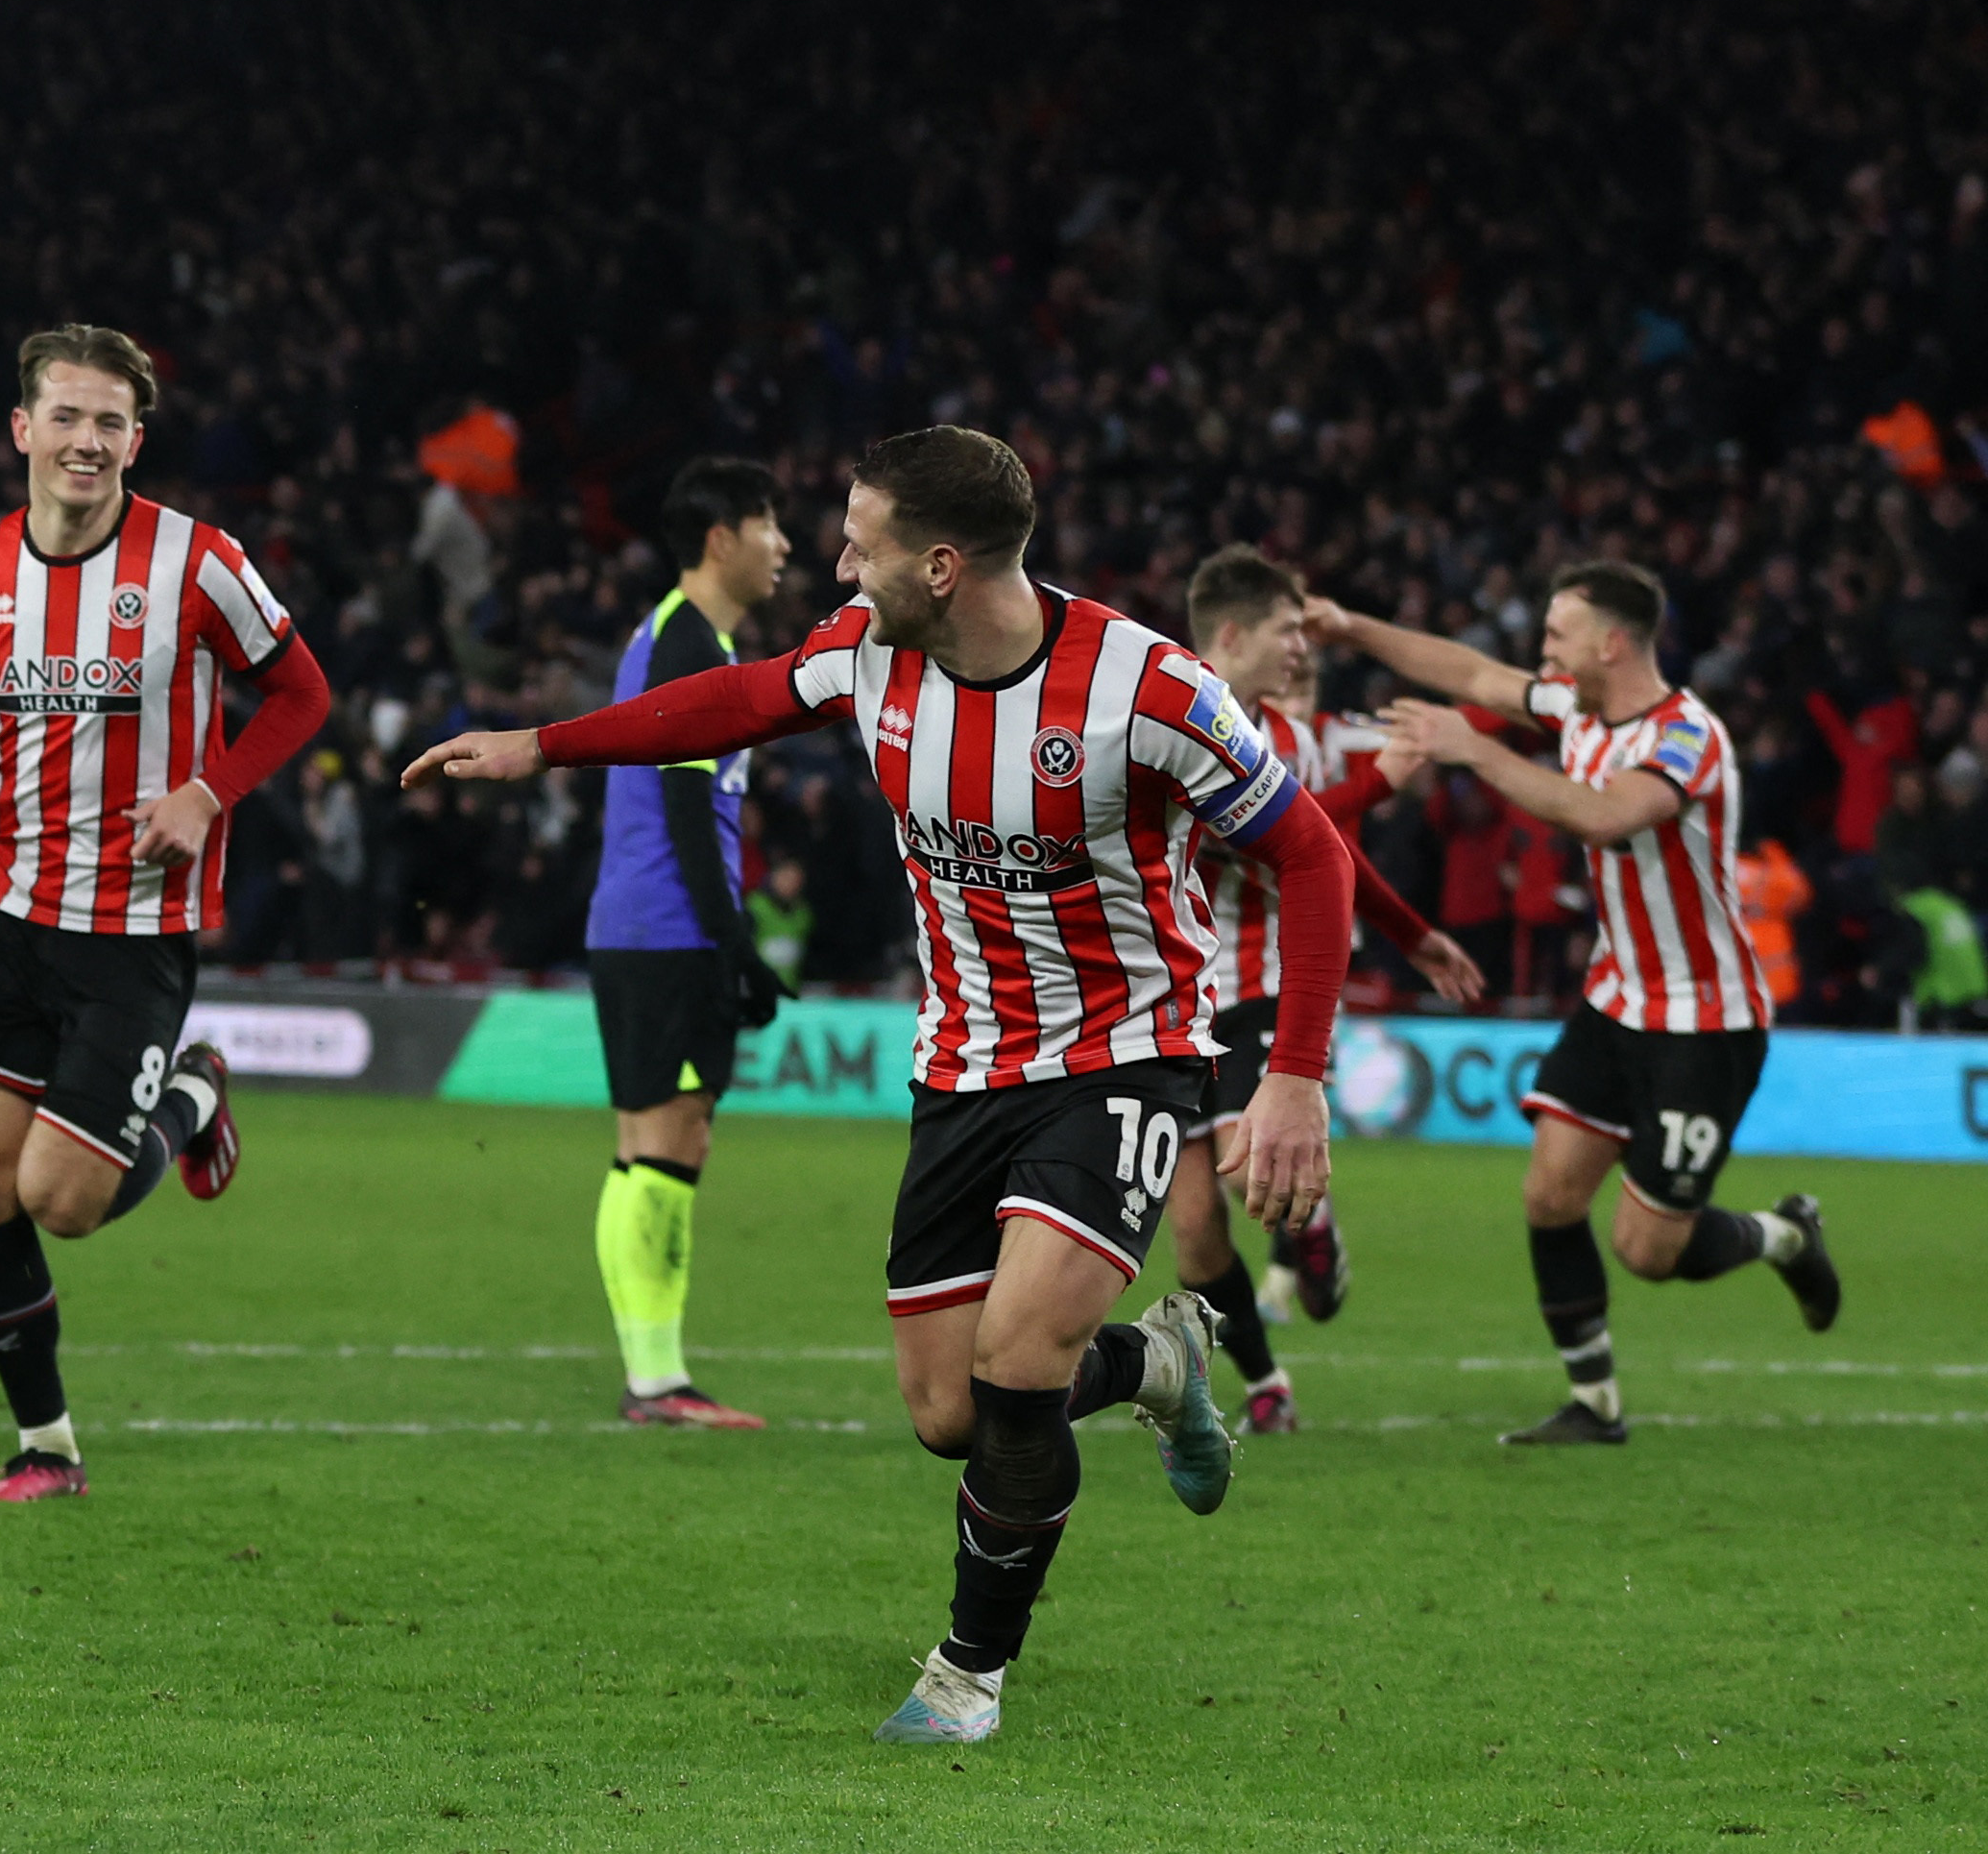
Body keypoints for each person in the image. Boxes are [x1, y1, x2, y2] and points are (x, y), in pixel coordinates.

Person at [409, 427, 1356, 1745]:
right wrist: (542, 745)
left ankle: (968, 1673)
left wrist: (1297, 1074)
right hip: (961, 1063)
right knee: (948, 1412)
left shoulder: (1149, 690)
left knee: (1021, 1362)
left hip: (1123, 1053)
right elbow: (732, 702)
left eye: (862, 543)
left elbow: (1313, 862)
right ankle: (1157, 1360)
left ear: (945, 563)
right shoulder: (866, 649)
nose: (840, 563)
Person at [0, 325, 330, 1503]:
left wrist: (209, 792)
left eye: (109, 421)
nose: (86, 439)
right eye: (65, 415)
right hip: (2, 910)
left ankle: (191, 1093)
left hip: (131, 929)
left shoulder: (198, 564)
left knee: (62, 1202)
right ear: (23, 428)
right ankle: (44, 1446)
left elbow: (302, 692)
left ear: (134, 440)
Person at [1314, 561, 1841, 1446]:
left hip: (1704, 1022)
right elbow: (1473, 675)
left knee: (1649, 1250)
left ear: (1613, 641)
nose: (1544, 651)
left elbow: (1603, 815)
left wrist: (1475, 749)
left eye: (1559, 634)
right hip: (1615, 998)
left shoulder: (1686, 738)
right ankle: (1595, 1403)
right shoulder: (1576, 709)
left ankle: (1786, 1235)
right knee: (1551, 1196)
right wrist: (1350, 627)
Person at [1170, 548, 1487, 1430]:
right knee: (1193, 1229)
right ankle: (1267, 1383)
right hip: (1166, 999)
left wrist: (1412, 933)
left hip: (1260, 983)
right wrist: (1378, 782)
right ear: (1234, 633)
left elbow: (1319, 846)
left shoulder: (1293, 736)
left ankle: (1310, 1231)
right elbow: (1243, 828)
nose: (1303, 649)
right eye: (1287, 632)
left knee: (1245, 1168)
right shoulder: (1173, 715)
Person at [578, 455, 795, 1432]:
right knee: (669, 1141)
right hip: (669, 930)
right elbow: (680, 799)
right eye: (769, 525)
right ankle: (657, 1381)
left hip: (638, 925)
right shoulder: (690, 648)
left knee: (644, 1147)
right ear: (722, 537)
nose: (784, 545)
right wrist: (734, 943)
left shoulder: (669, 634)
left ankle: (650, 1373)